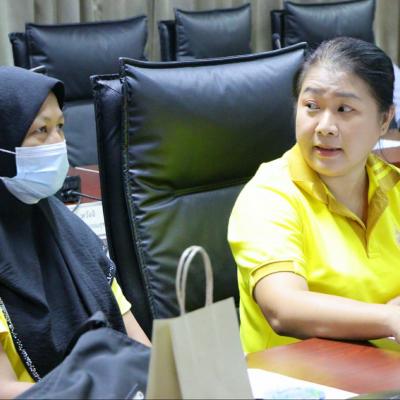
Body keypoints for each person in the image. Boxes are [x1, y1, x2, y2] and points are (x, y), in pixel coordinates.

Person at [228, 37, 400, 354]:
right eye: (312, 106)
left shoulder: (393, 184)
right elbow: (284, 308)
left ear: (384, 120)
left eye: (344, 109)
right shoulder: (269, 196)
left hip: (384, 370)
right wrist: (389, 318)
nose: (325, 127)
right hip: (298, 375)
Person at [0, 66, 151, 399]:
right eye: (41, 130)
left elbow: (137, 346)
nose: (57, 143)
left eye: (60, 127)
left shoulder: (68, 229)